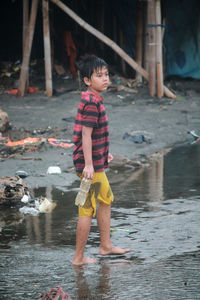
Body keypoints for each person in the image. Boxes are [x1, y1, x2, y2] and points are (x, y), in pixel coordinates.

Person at [72, 54, 130, 265]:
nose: (105, 79)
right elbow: (85, 135)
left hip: (94, 163)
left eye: (106, 74)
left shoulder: (93, 99)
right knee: (90, 207)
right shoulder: (90, 103)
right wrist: (89, 164)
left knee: (102, 201)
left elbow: (94, 135)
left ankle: (104, 246)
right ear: (87, 80)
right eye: (99, 75)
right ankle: (80, 257)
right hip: (90, 167)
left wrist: (104, 153)